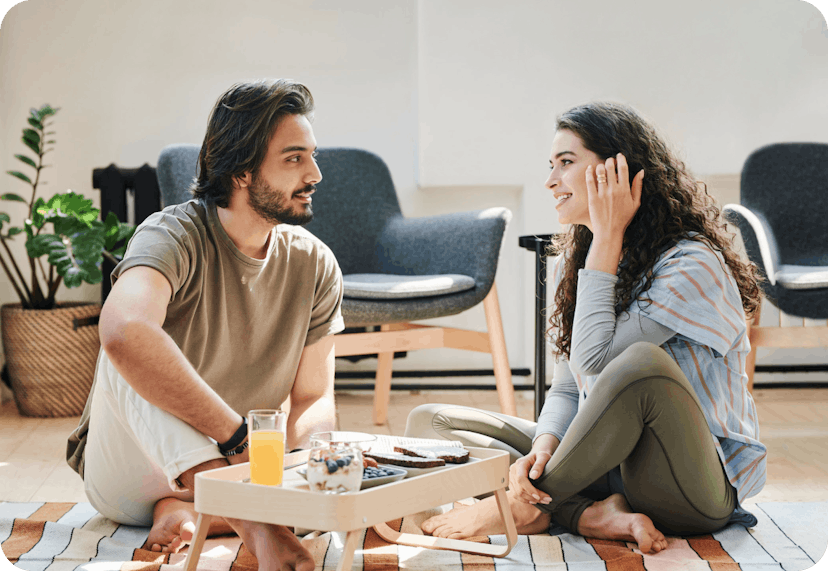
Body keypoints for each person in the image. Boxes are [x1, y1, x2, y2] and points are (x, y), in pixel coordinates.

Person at [404, 101, 766, 554]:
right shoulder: (579, 260)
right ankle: (585, 513)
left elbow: (600, 364)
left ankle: (527, 507)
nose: (550, 180)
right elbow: (570, 386)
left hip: (690, 489)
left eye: (566, 163)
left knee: (640, 365)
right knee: (431, 423)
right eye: (551, 165)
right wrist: (546, 443)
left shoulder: (691, 265)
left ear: (616, 171)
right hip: (605, 469)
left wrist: (608, 234)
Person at [66, 79, 343, 571]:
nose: (316, 173)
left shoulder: (315, 264)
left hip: (237, 472)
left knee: (323, 486)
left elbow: (314, 398)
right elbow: (123, 332)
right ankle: (256, 526)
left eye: (312, 156)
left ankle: (195, 510)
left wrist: (300, 472)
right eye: (294, 158)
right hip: (131, 473)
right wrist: (238, 442)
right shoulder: (172, 234)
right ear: (241, 170)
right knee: (127, 347)